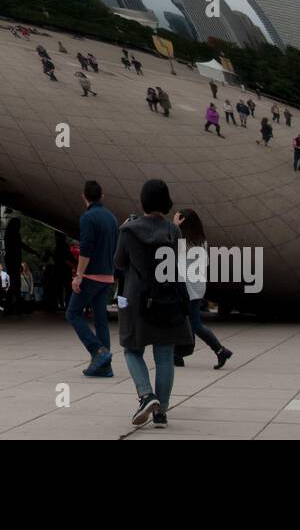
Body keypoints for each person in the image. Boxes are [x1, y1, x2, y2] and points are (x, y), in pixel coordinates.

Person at [117, 180, 193, 429]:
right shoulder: (174, 231)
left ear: (143, 200)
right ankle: (161, 412)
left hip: (137, 299)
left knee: (131, 349)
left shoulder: (128, 231)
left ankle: (147, 395)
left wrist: (123, 229)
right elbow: (179, 262)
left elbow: (118, 262)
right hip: (167, 297)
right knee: (164, 355)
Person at [67, 181, 119, 376]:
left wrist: (78, 276)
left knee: (72, 313)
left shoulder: (88, 218)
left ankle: (98, 351)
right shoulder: (111, 218)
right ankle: (105, 367)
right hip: (107, 275)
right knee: (101, 320)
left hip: (91, 275)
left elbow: (86, 249)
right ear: (102, 196)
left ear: (84, 196)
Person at [174, 210, 233, 370]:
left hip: (188, 288)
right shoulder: (200, 241)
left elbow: (171, 245)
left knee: (194, 324)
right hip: (196, 286)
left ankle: (220, 350)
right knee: (184, 321)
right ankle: (178, 354)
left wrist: (174, 227)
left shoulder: (184, 242)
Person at [4, 217, 36, 315]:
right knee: (15, 283)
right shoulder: (14, 235)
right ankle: (14, 305)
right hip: (14, 260)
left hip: (11, 260)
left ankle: (11, 305)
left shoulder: (8, 235)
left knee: (14, 283)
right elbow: (20, 245)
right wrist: (33, 251)